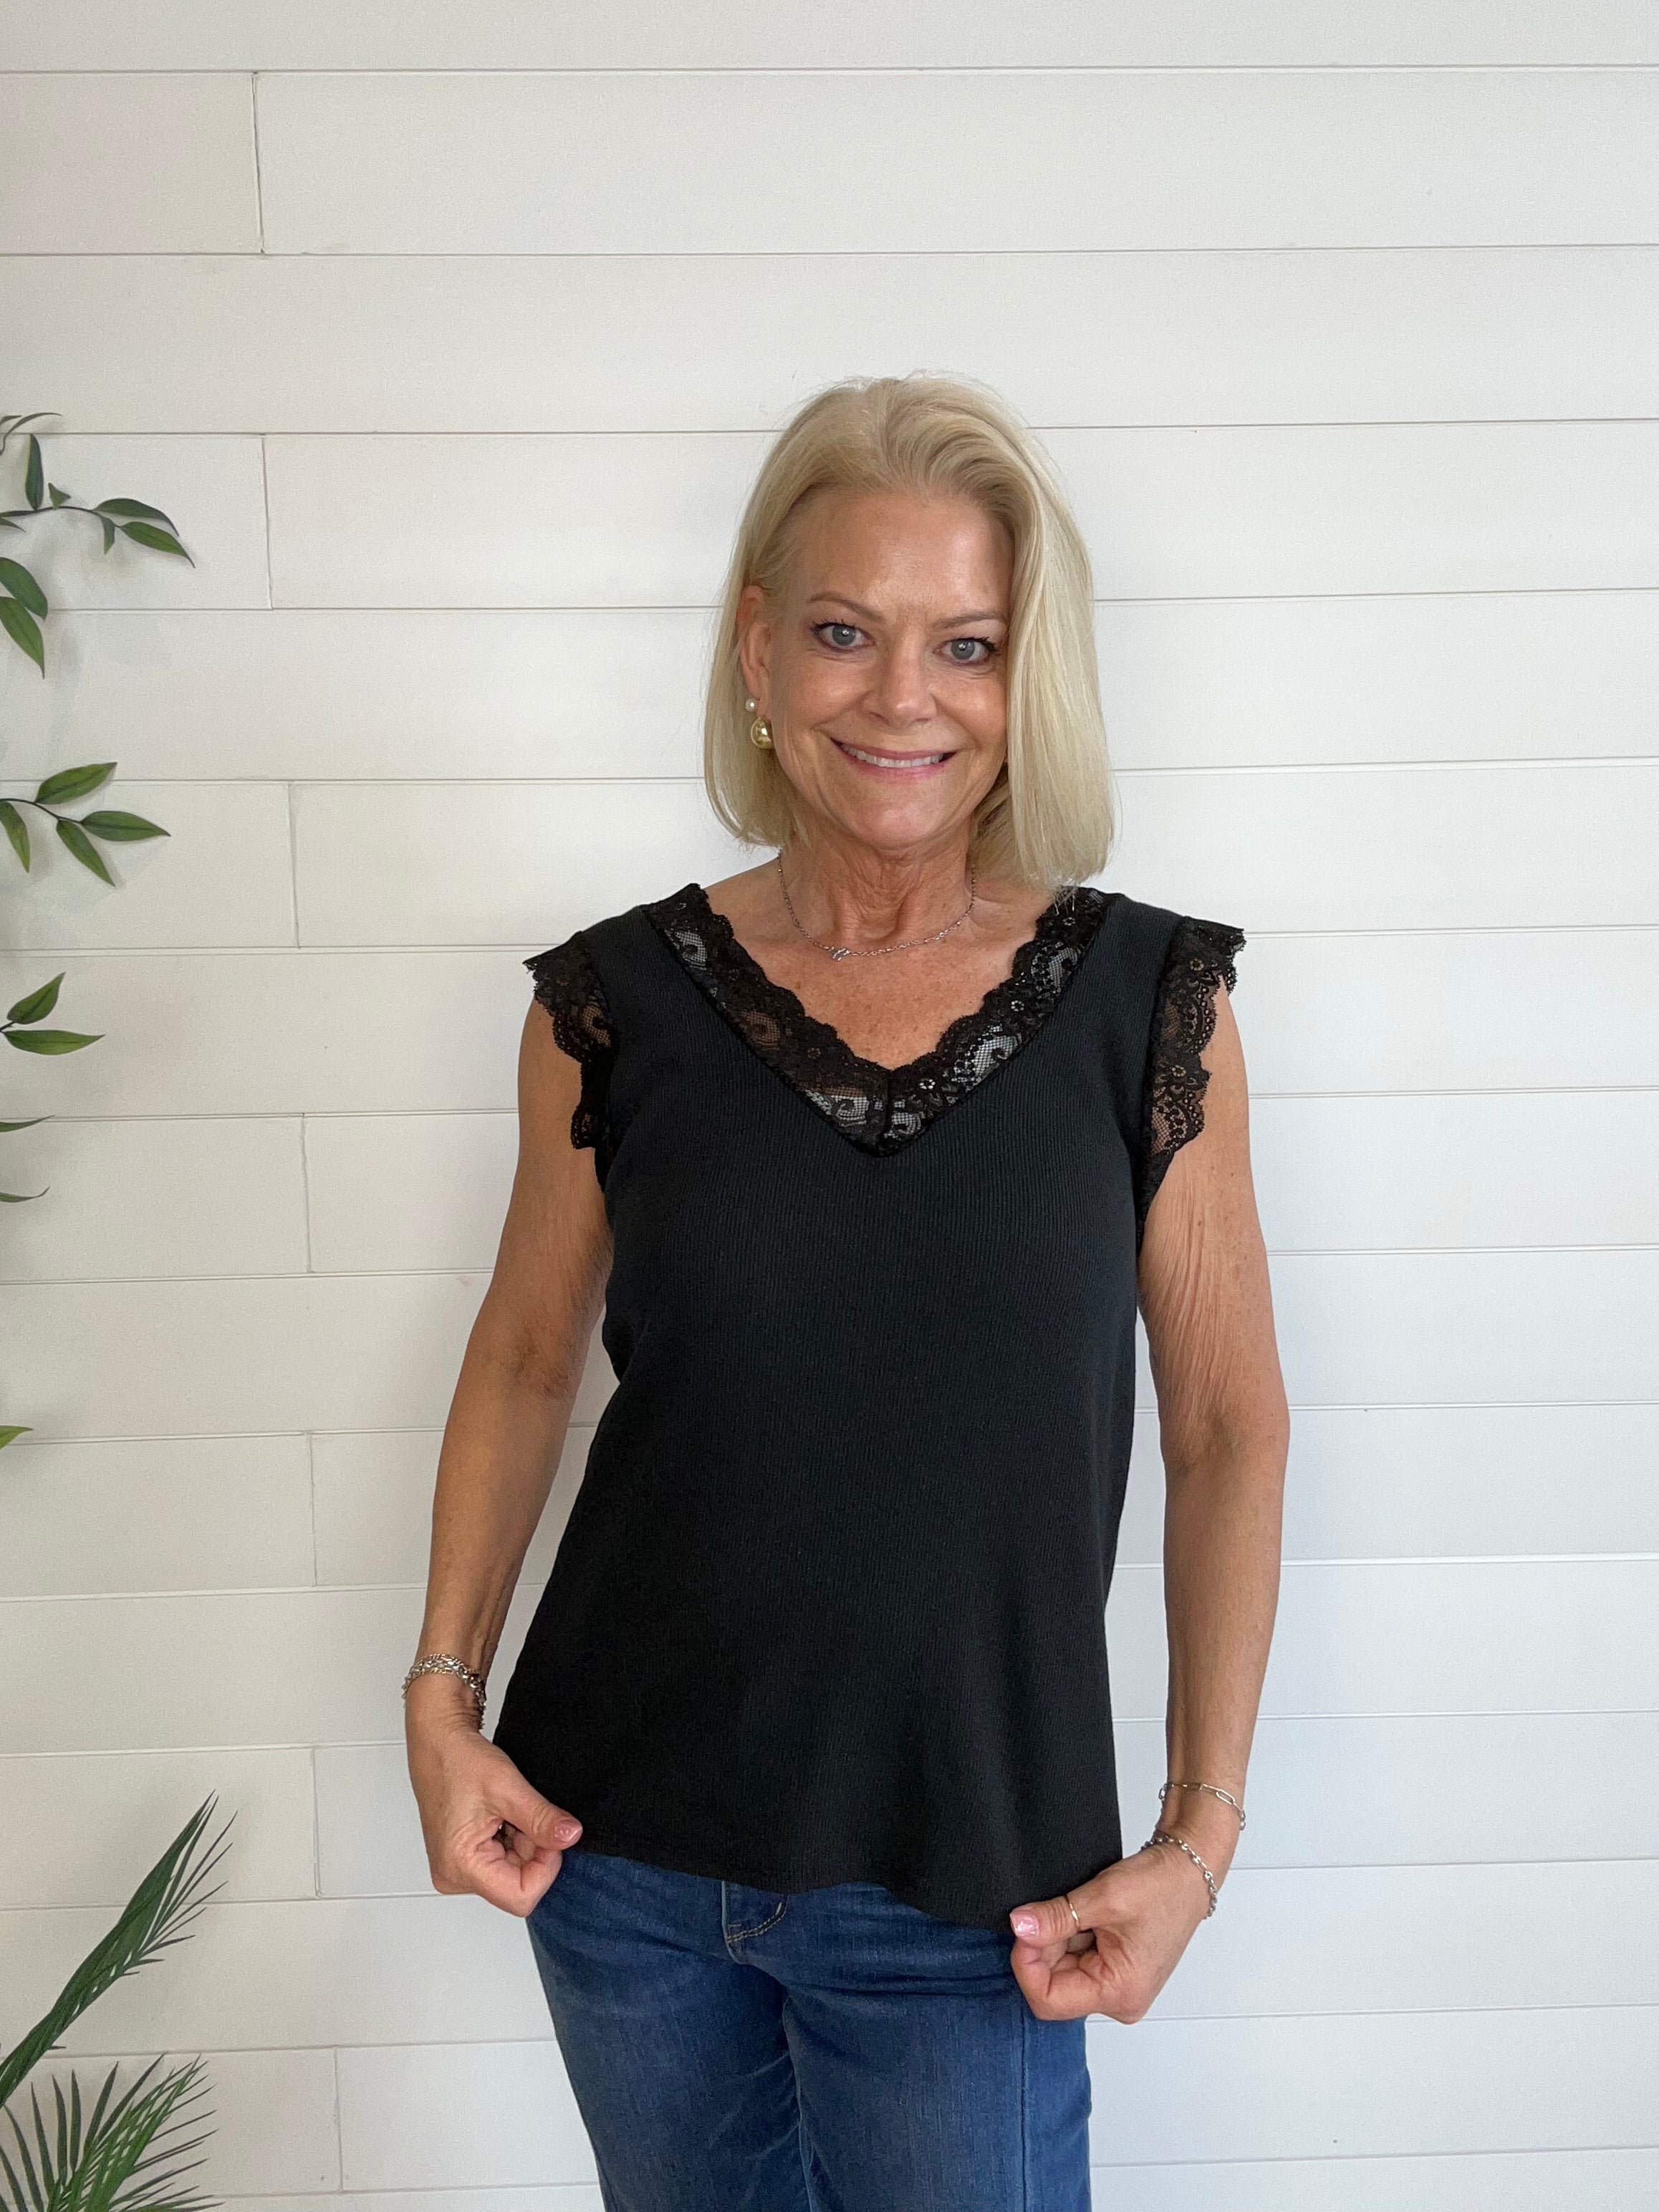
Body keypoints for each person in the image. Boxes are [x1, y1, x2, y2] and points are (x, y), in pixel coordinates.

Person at [403, 372, 1289, 2211]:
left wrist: (1198, 1835)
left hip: (981, 1895)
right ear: (756, 650)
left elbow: (1227, 1425)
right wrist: (444, 1689)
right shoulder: (608, 1006)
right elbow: (523, 1357)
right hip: (622, 1863)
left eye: (967, 644)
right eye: (841, 631)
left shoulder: (1150, 1008)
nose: (902, 696)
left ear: (1025, 680)